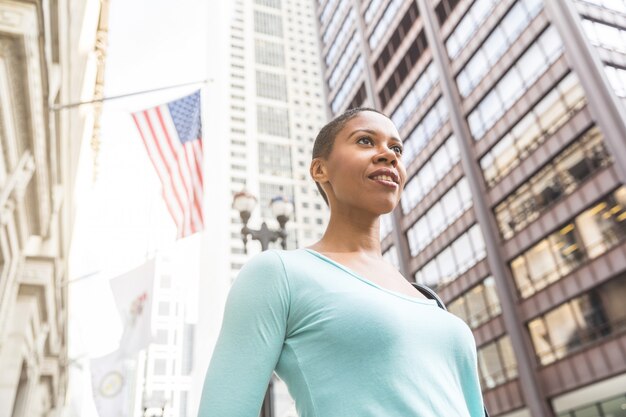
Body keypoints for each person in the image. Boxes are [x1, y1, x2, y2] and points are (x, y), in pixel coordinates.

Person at [198, 108, 485, 417]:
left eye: (396, 148)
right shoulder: (278, 273)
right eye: (365, 141)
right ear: (320, 170)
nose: (388, 155)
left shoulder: (429, 299)